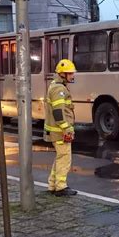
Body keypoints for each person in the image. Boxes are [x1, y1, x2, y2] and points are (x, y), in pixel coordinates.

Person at [44, 59, 78, 197]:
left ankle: (53, 184)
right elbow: (58, 112)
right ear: (62, 74)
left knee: (60, 157)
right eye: (70, 73)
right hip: (60, 131)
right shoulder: (59, 89)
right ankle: (61, 187)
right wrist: (67, 128)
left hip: (56, 131)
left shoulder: (56, 85)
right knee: (64, 158)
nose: (72, 76)